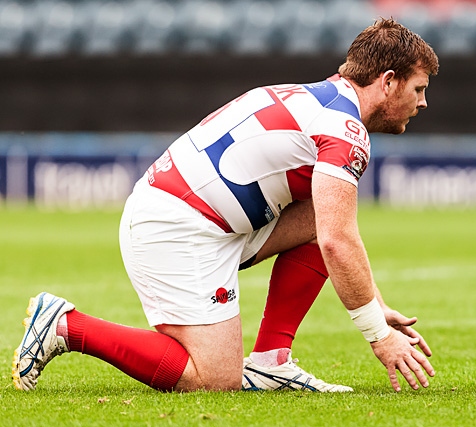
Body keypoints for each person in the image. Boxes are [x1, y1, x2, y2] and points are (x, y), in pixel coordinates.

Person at [13, 17, 439, 393]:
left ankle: (272, 361)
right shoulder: (345, 129)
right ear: (387, 81)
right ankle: (67, 326)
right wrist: (378, 334)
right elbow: (337, 242)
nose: (422, 102)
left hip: (189, 217)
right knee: (214, 380)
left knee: (318, 212)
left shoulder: (309, 96)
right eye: (418, 88)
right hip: (175, 230)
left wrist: (374, 302)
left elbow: (328, 226)